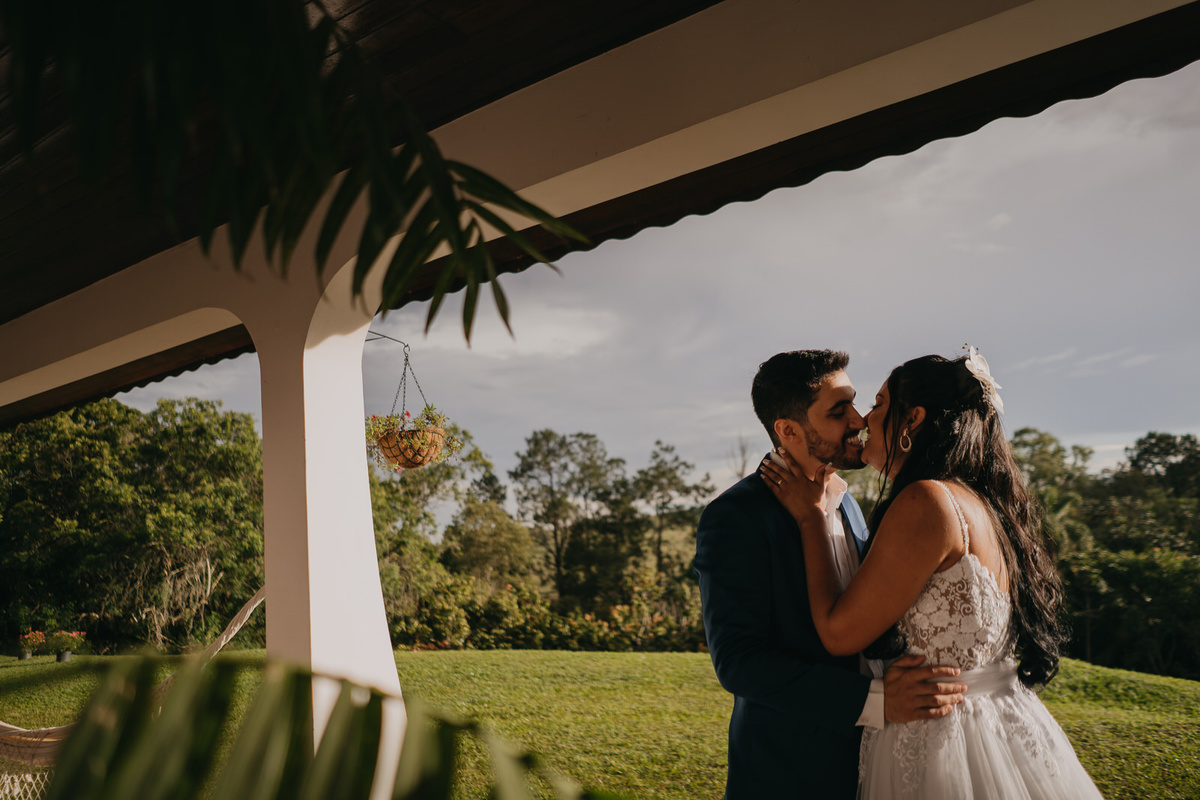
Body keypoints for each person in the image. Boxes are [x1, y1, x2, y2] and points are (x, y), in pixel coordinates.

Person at [760, 348, 1104, 799]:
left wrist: (810, 519)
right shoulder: (983, 502)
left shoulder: (926, 501)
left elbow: (840, 635)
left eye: (879, 404)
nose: (864, 420)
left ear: (913, 420)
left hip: (943, 740)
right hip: (1001, 725)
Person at [695, 350, 969, 800]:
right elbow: (739, 662)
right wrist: (875, 701)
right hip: (787, 773)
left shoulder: (849, 504)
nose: (860, 420)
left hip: (877, 765)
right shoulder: (735, 517)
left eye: (856, 404)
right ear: (788, 430)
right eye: (838, 411)